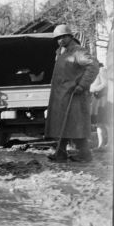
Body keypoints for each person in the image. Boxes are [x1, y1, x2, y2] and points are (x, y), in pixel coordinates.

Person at [45, 24, 99, 163]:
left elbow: (93, 65)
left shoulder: (78, 51)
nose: (60, 40)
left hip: (74, 95)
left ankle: (85, 154)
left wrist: (82, 85)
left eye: (63, 36)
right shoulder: (61, 53)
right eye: (57, 38)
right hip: (61, 95)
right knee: (63, 124)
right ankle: (61, 153)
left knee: (76, 124)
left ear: (70, 36)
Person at [90, 62, 108, 151]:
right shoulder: (94, 72)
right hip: (96, 99)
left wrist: (93, 89)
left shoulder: (102, 70)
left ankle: (109, 144)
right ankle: (100, 145)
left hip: (102, 99)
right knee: (98, 123)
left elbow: (105, 84)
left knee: (105, 123)